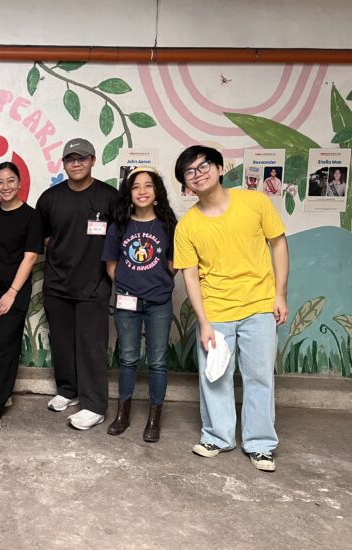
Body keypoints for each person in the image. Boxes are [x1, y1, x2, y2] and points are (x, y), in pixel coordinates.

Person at [173, 145, 289, 472]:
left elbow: (279, 244)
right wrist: (203, 321)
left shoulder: (255, 202)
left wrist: (280, 295)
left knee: (260, 378)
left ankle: (260, 444)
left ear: (220, 168)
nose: (198, 174)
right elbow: (190, 276)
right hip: (216, 311)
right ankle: (217, 436)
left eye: (204, 166)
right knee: (215, 376)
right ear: (186, 184)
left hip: (259, 306)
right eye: (190, 172)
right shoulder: (187, 226)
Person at [36, 138, 119, 430]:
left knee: (91, 347)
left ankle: (94, 405)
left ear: (93, 160)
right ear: (63, 164)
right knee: (62, 343)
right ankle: (68, 390)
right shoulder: (49, 198)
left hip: (94, 285)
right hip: (57, 284)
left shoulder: (109, 197)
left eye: (82, 158)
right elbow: (44, 237)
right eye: (70, 159)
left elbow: (121, 237)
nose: (76, 164)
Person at [102, 167, 177, 442]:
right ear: (129, 193)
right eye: (136, 187)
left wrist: (155, 283)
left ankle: (154, 418)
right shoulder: (119, 226)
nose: (142, 191)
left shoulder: (168, 226)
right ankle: (122, 414)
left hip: (159, 303)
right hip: (127, 302)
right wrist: (129, 285)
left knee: (157, 362)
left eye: (148, 186)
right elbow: (111, 266)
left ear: (157, 192)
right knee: (127, 359)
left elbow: (173, 265)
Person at [0, 162, 43, 431]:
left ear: (20, 183)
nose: (5, 187)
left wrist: (12, 293)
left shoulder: (31, 216)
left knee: (4, 344)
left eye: (11, 180)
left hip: (12, 289)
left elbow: (30, 257)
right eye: (0, 182)